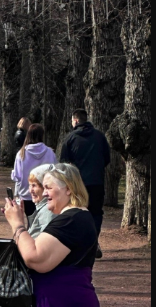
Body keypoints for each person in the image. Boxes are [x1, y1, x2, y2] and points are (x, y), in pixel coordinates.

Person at [3, 163, 99, 307]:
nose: (45, 193)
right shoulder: (74, 217)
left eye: (48, 188)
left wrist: (17, 224)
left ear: (68, 188)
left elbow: (34, 257)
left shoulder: (71, 220)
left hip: (64, 299)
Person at [60, 108, 110, 258]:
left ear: (75, 120)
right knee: (95, 213)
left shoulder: (70, 138)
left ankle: (80, 244)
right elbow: (107, 159)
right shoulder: (100, 137)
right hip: (96, 181)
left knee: (78, 212)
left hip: (78, 182)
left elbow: (63, 163)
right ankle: (93, 241)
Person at [11, 124, 57, 217]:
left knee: (31, 222)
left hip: (27, 194)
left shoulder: (21, 153)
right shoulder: (50, 152)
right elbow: (55, 172)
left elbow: (17, 176)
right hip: (45, 194)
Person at [27, 164, 57, 239]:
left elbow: (47, 242)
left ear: (45, 187)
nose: (30, 190)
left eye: (34, 186)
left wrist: (18, 223)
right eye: (29, 185)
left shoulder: (48, 211)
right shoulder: (43, 207)